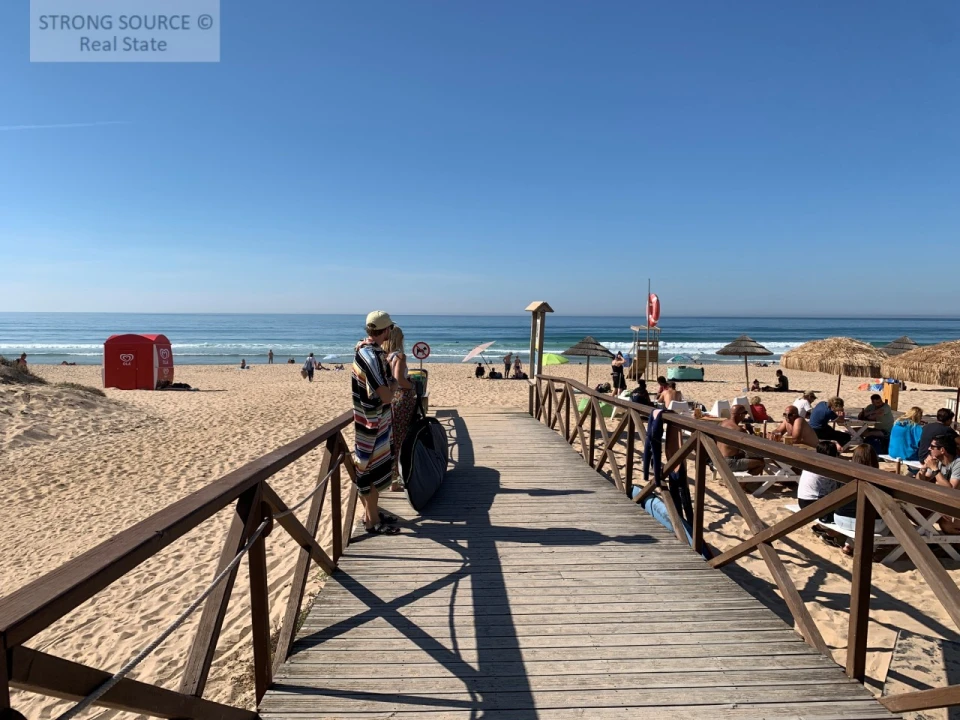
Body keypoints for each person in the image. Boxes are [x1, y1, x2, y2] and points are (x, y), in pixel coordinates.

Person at [353, 311, 400, 535]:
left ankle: (370, 515)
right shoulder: (371, 357)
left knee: (370, 472)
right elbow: (387, 396)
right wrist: (394, 383)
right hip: (372, 425)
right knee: (370, 474)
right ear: (386, 330)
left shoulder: (367, 351)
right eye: (390, 328)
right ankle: (373, 523)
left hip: (370, 422)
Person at [833, 444, 887, 554]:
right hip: (870, 524)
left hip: (841, 519)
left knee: (858, 517)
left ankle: (849, 544)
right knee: (890, 520)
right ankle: (870, 549)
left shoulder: (844, 474)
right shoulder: (879, 478)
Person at [382, 326, 416, 492]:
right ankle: (395, 481)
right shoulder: (400, 356)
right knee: (401, 439)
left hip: (389, 398)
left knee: (391, 439)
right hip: (402, 398)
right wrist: (412, 386)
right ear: (399, 339)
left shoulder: (385, 357)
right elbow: (399, 380)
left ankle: (390, 479)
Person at [921, 434, 960, 534]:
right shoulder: (937, 461)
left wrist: (934, 469)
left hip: (956, 506)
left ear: (942, 450)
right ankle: (931, 534)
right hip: (945, 503)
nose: (929, 448)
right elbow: (921, 481)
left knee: (946, 525)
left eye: (932, 447)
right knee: (915, 511)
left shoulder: (958, 464)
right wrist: (923, 469)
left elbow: (951, 489)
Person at [797, 440, 843, 522]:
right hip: (814, 504)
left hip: (803, 501)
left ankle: (822, 527)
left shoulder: (813, 463)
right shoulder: (828, 467)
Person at [718, 405, 764, 475]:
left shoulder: (723, 423)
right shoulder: (738, 430)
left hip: (718, 459)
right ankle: (744, 481)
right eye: (745, 413)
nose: (745, 415)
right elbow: (750, 447)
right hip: (729, 463)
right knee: (760, 463)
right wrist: (750, 431)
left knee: (743, 455)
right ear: (740, 415)